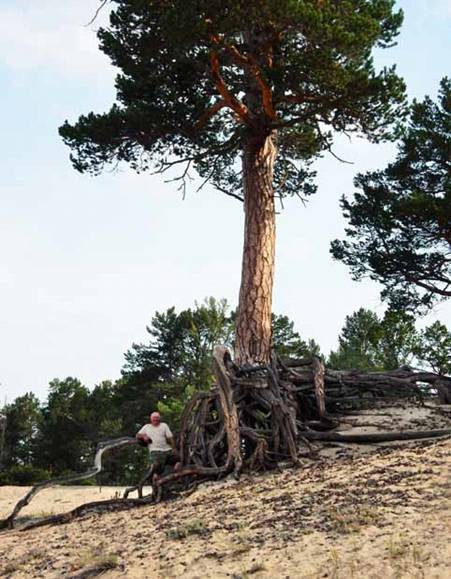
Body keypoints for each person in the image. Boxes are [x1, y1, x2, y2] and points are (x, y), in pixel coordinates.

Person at [136, 412, 178, 479]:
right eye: (154, 418)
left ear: (159, 419)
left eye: (157, 418)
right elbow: (137, 435)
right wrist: (144, 436)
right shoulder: (147, 427)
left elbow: (170, 438)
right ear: (151, 419)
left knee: (178, 458)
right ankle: (156, 476)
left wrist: (174, 448)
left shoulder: (164, 425)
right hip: (155, 450)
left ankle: (175, 473)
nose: (155, 419)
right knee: (158, 463)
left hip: (167, 449)